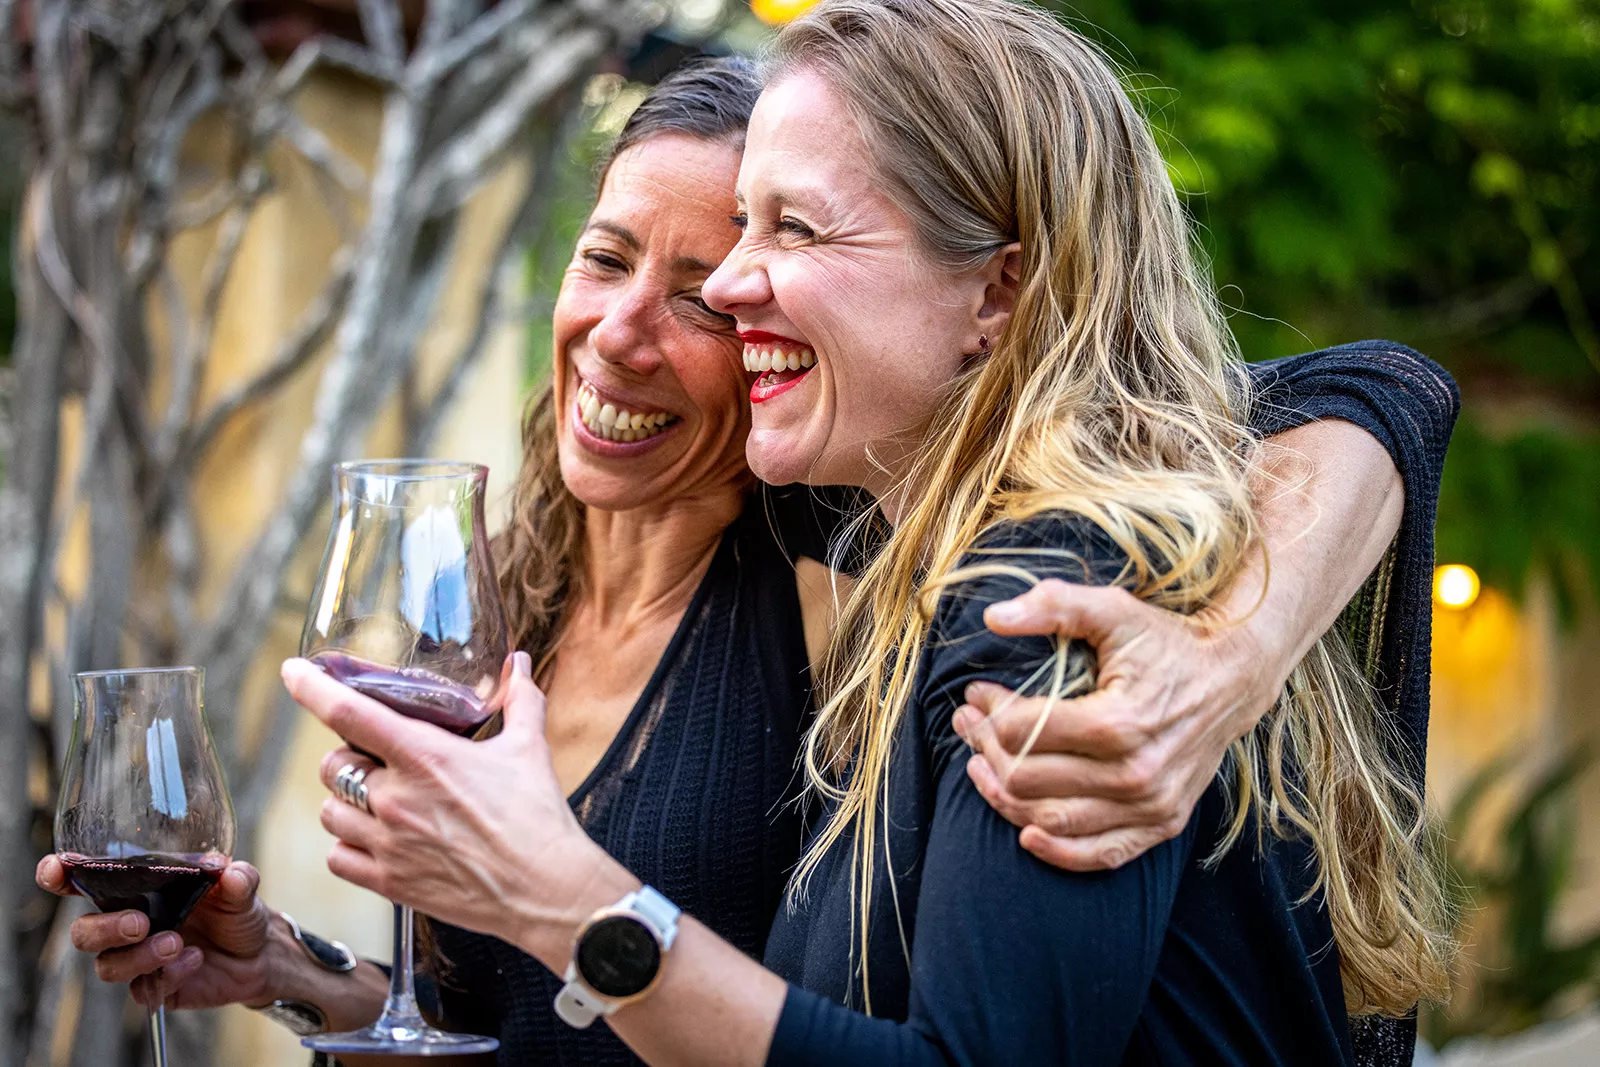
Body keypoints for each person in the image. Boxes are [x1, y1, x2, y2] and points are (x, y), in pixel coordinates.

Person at [43, 24, 1452, 1066]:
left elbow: (1374, 388)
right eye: (606, 255)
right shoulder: (528, 587)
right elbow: (532, 1024)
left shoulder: (965, 581)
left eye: (773, 243)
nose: (703, 296)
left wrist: (1225, 656)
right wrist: (292, 972)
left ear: (997, 292)